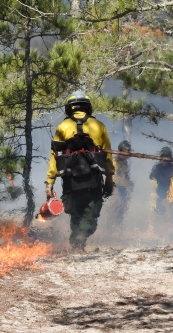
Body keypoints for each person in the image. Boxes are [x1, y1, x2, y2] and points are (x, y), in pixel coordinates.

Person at [45, 91, 115, 252]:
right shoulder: (98, 126)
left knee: (75, 214)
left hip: (70, 181)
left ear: (69, 108)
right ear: (88, 107)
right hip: (93, 179)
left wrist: (50, 182)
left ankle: (76, 243)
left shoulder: (63, 127)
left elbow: (54, 156)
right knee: (91, 215)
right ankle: (79, 240)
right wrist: (110, 180)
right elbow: (108, 155)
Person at [148, 147, 173, 239]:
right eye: (163, 157)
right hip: (160, 195)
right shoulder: (157, 168)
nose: (164, 160)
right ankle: (161, 234)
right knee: (160, 214)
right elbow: (151, 177)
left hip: (172, 196)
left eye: (166, 157)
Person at [105, 140, 133, 231]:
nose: (127, 153)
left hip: (122, 189)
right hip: (115, 189)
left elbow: (126, 175)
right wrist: (127, 183)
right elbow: (115, 178)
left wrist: (129, 183)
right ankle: (109, 230)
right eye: (125, 151)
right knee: (114, 209)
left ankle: (117, 230)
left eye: (128, 151)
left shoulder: (124, 163)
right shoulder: (115, 162)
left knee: (121, 210)